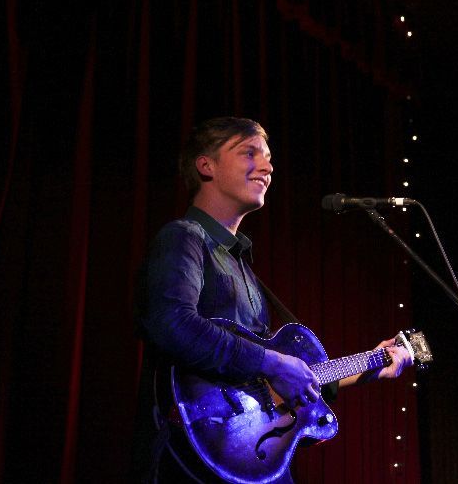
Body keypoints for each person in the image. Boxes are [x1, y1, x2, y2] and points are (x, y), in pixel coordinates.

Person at [132, 117, 411, 482]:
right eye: (249, 153)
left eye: (269, 159)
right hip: (192, 452)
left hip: (249, 460)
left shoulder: (244, 267)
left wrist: (371, 366)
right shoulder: (185, 237)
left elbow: (267, 386)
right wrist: (273, 363)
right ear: (206, 165)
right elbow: (173, 324)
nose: (267, 167)